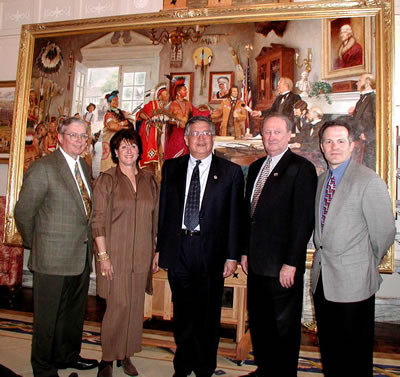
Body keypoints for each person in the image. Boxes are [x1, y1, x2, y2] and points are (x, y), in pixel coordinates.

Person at [154, 116, 244, 377]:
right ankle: (182, 365)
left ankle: (205, 367)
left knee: (207, 314)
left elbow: (235, 218)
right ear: (186, 139)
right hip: (179, 248)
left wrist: (232, 255)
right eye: (195, 134)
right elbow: (165, 213)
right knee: (182, 312)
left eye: (206, 133)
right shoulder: (171, 168)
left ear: (213, 137)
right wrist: (161, 248)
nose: (201, 138)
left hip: (211, 252)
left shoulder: (230, 172)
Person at [14, 117, 98, 376]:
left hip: (81, 255)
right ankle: (43, 367)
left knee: (73, 314)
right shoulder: (43, 167)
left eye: (83, 136)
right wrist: (36, 243)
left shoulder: (84, 167)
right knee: (47, 319)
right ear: (60, 137)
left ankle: (67, 355)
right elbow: (24, 212)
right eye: (73, 135)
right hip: (51, 257)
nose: (79, 140)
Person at [312, 119, 395, 377]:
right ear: (322, 147)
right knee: (331, 349)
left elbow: (384, 233)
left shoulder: (368, 181)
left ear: (351, 145)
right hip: (323, 280)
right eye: (328, 141)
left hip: (355, 283)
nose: (334, 147)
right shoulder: (321, 180)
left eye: (340, 141)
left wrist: (363, 263)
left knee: (355, 353)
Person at [241, 114, 317, 377]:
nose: (271, 137)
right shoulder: (256, 167)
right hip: (257, 263)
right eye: (267, 132)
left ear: (289, 135)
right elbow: (249, 216)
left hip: (283, 266)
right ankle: (265, 370)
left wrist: (292, 262)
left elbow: (302, 221)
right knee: (260, 323)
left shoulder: (301, 169)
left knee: (283, 327)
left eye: (277, 132)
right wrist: (244, 252)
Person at [92, 129, 159, 377]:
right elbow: (97, 220)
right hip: (115, 253)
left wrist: (156, 250)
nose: (129, 151)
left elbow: (156, 219)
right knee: (117, 305)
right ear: (115, 152)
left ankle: (126, 354)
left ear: (139, 150)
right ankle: (108, 358)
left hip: (142, 252)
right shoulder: (107, 180)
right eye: (123, 147)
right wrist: (103, 256)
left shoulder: (150, 180)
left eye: (132, 146)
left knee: (134, 305)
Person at [164, 81, 209, 160]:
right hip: (176, 135)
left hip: (186, 133)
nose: (186, 91)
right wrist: (177, 123)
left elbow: (197, 113)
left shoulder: (188, 104)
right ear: (178, 92)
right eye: (184, 90)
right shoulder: (172, 104)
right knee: (175, 156)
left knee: (186, 155)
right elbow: (167, 119)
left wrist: (210, 113)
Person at [136, 84, 171, 170]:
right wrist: (148, 119)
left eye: (168, 94)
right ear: (160, 96)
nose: (168, 95)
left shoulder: (168, 106)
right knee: (151, 154)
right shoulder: (152, 104)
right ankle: (148, 173)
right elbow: (140, 113)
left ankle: (159, 175)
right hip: (151, 131)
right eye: (166, 94)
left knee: (161, 152)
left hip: (162, 131)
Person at [348, 72, 376, 169]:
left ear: (367, 84)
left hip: (370, 144)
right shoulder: (362, 99)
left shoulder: (374, 99)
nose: (357, 83)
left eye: (360, 81)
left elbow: (380, 122)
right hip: (360, 142)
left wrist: (368, 135)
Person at [101, 90, 134, 172]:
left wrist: (128, 120)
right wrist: (123, 124)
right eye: (114, 100)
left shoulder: (121, 112)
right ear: (109, 102)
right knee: (110, 160)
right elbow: (112, 126)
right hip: (110, 140)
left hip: (120, 140)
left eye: (117, 100)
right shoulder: (108, 114)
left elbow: (130, 120)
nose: (116, 102)